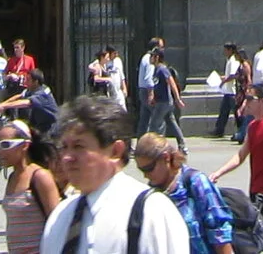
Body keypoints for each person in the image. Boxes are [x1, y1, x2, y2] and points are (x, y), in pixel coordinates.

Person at [38, 94, 184, 254]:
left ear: (115, 151)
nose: (66, 157)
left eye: (79, 146)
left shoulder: (150, 211)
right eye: (64, 147)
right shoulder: (61, 216)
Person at [212, 77, 263, 245]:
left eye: (250, 98)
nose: (246, 102)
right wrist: (218, 173)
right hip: (256, 190)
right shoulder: (253, 126)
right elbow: (240, 156)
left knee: (258, 239)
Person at [137, 131, 235, 254]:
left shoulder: (196, 182)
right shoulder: (151, 194)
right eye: (141, 170)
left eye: (149, 168)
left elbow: (220, 232)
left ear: (166, 158)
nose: (145, 175)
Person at [0, 116, 63, 254]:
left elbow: (57, 223)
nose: (0, 151)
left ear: (24, 145)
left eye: (5, 145)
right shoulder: (12, 177)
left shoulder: (40, 176)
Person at [140, 42, 185, 145]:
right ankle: (182, 145)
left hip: (163, 102)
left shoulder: (162, 69)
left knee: (153, 125)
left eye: (152, 56)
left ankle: (152, 146)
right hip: (161, 101)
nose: (150, 58)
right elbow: (158, 86)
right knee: (172, 124)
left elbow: (172, 83)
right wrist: (153, 97)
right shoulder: (156, 70)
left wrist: (177, 99)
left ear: (157, 57)